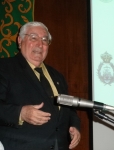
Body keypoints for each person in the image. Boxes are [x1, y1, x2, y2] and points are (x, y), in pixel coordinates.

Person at [0, 21, 81, 150]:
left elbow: (69, 108)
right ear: (20, 40)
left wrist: (75, 126)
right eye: (33, 38)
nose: (40, 44)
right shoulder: (4, 68)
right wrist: (20, 113)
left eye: (45, 40)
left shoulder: (57, 76)